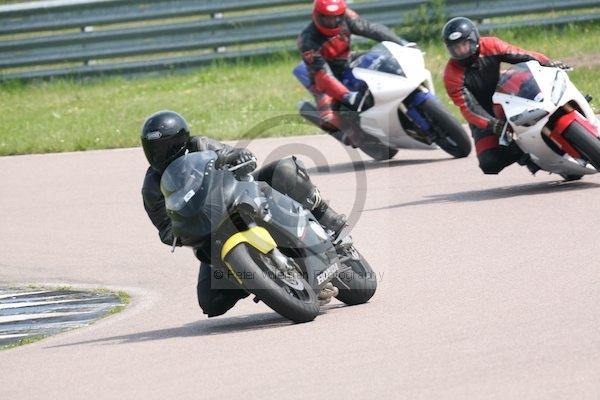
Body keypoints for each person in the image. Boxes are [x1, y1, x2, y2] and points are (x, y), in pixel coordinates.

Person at [141, 110, 344, 317]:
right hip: (211, 231)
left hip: (238, 198)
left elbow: (227, 154)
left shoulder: (200, 145)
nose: (159, 154)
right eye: (153, 149)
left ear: (181, 141)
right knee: (211, 302)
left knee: (285, 170)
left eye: (165, 147)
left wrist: (238, 157)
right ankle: (261, 277)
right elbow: (164, 227)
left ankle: (327, 219)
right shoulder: (151, 187)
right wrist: (177, 232)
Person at [442, 17, 570, 175]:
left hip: (507, 96)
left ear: (474, 39)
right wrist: (491, 124)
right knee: (489, 163)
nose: (461, 51)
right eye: (456, 48)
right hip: (484, 115)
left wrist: (547, 63)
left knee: (543, 95)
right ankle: (527, 155)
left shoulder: (490, 45)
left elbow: (520, 55)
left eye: (464, 44)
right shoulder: (451, 75)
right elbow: (468, 108)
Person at [297, 0, 412, 146]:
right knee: (329, 118)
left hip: (346, 60)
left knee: (382, 61)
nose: (332, 22)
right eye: (326, 18)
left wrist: (402, 43)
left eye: (336, 17)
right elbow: (322, 75)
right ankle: (347, 135)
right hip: (322, 78)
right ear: (317, 15)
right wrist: (346, 95)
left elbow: (371, 29)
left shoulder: (347, 16)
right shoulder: (307, 39)